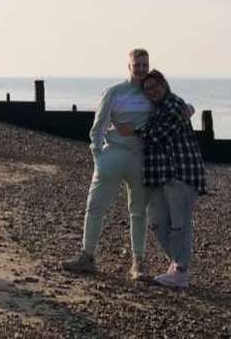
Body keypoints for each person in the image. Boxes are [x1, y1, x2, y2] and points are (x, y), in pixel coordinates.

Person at [63, 48, 152, 280]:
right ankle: (87, 256)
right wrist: (98, 157)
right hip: (112, 156)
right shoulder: (113, 92)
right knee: (95, 207)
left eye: (145, 64)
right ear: (129, 66)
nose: (141, 69)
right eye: (137, 64)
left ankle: (138, 263)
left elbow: (173, 110)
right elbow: (98, 126)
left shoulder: (153, 94)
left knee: (139, 212)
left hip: (141, 159)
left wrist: (188, 108)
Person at [116, 70, 206, 288]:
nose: (152, 92)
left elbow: (158, 134)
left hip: (180, 173)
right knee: (156, 223)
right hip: (159, 177)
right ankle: (178, 264)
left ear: (165, 85)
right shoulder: (158, 108)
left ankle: (181, 272)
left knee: (179, 225)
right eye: (147, 89)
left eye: (155, 87)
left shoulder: (174, 105)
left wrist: (133, 130)